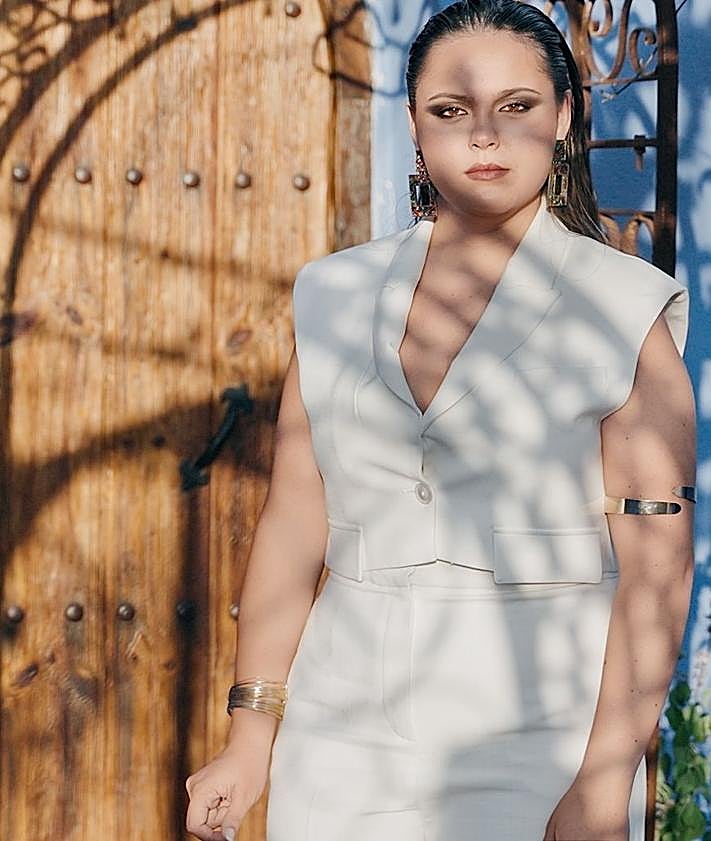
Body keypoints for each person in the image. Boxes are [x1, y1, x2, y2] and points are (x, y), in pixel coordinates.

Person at [185, 1, 697, 839]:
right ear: (414, 125)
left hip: (541, 736)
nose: (484, 135)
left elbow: (657, 565)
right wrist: (250, 736)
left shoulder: (620, 307)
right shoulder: (334, 293)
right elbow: (294, 520)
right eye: (451, 110)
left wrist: (606, 779)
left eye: (517, 106)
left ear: (564, 116)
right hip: (338, 733)